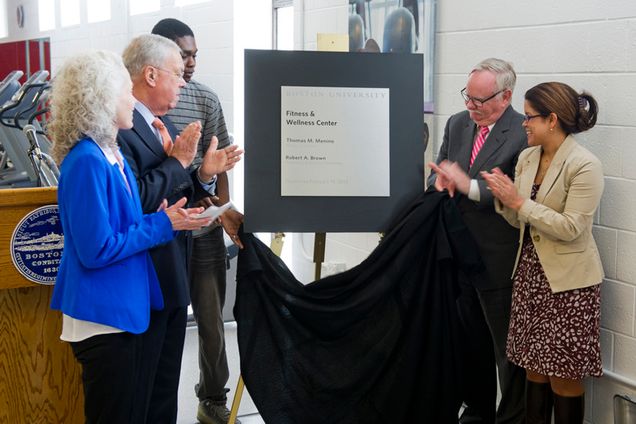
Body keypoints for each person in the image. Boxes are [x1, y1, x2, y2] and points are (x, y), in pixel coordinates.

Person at [49, 50, 211, 423]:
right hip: (104, 316)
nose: (130, 99)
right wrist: (163, 224)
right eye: (124, 91)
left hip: (127, 310)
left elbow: (128, 220)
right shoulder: (87, 160)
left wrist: (170, 217)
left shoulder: (110, 153)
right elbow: (97, 249)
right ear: (102, 99)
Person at [117, 34, 243, 423]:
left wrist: (204, 173)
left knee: (164, 388)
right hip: (145, 276)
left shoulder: (163, 123)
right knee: (143, 389)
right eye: (177, 72)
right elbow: (134, 197)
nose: (185, 81)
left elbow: (179, 187)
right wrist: (179, 163)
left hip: (173, 271)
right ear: (151, 75)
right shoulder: (120, 128)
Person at [482, 82, 604, 424]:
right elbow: (518, 218)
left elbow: (570, 227)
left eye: (530, 116)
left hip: (569, 287)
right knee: (534, 370)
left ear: (552, 119)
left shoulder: (584, 164)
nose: (523, 122)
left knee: (563, 376)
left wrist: (520, 201)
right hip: (530, 277)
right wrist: (502, 198)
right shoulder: (527, 156)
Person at [427, 58, 527, 424]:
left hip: (498, 257)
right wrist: (438, 182)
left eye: (480, 101)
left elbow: (513, 191)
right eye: (467, 97)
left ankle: (511, 417)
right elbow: (441, 167)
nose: (471, 107)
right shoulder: (457, 123)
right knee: (470, 342)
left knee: (506, 348)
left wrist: (466, 186)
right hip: (458, 252)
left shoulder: (522, 131)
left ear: (506, 96)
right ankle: (477, 410)